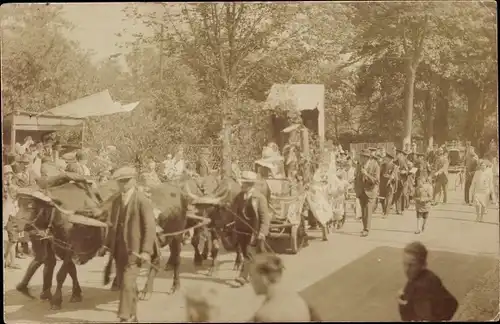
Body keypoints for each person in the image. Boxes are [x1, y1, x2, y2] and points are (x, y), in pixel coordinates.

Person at [102, 166, 157, 322]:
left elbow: (149, 226)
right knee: (127, 284)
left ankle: (124, 317)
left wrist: (146, 250)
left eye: (126, 181)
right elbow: (112, 224)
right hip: (119, 250)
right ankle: (133, 316)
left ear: (133, 181)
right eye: (120, 182)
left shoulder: (141, 200)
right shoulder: (117, 200)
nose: (123, 185)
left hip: (135, 251)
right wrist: (106, 245)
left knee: (127, 283)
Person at [249, 253, 321, 322]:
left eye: (252, 275)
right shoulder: (300, 301)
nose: (250, 280)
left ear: (263, 277)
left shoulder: (264, 315)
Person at [398, 241, 458, 321]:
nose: (406, 269)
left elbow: (423, 317)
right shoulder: (426, 277)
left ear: (423, 265)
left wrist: (402, 304)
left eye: (412, 265)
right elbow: (452, 302)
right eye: (404, 264)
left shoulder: (422, 286)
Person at [232, 171, 271, 287]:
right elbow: (232, 208)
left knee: (249, 253)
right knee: (245, 253)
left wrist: (263, 232)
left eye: (243, 183)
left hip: (253, 230)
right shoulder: (239, 196)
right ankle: (255, 271)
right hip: (240, 230)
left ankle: (242, 277)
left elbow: (264, 217)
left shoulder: (259, 198)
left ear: (249, 184)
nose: (241, 185)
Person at [354, 149, 380, 237]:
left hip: (370, 191)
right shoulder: (359, 165)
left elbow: (376, 181)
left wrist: (366, 174)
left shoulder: (375, 165)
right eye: (360, 156)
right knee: (363, 211)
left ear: (366, 158)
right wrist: (356, 188)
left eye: (361, 157)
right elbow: (356, 177)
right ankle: (364, 227)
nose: (360, 158)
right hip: (361, 191)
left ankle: (366, 229)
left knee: (368, 211)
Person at [3, 165, 21, 269]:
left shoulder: (12, 185)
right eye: (6, 174)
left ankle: (10, 261)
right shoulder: (7, 187)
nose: (8, 176)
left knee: (13, 239)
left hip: (12, 213)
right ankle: (7, 260)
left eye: (10, 173)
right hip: (6, 214)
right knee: (10, 239)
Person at [379, 153, 398, 217]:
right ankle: (384, 210)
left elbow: (394, 175)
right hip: (382, 184)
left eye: (387, 158)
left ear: (391, 159)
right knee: (381, 199)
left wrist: (390, 177)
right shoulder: (383, 165)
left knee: (389, 198)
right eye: (385, 158)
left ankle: (386, 213)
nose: (385, 159)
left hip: (390, 184)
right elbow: (379, 174)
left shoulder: (394, 166)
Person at [393, 149, 409, 214]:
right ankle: (398, 209)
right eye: (396, 155)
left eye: (398, 154)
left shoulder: (403, 161)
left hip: (403, 180)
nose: (397, 156)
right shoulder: (395, 162)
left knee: (403, 194)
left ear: (401, 155)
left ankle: (402, 209)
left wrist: (404, 172)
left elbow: (407, 170)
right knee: (397, 194)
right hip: (397, 180)